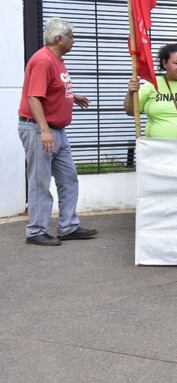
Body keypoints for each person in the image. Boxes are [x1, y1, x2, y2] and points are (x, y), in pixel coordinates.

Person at [18, 17, 97, 246]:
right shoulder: (43, 60)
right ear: (59, 39)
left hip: (58, 131)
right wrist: (44, 131)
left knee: (68, 178)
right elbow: (34, 97)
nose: (74, 41)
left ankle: (68, 226)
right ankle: (36, 231)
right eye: (71, 37)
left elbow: (53, 90)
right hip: (39, 129)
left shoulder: (57, 60)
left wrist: (73, 96)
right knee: (40, 181)